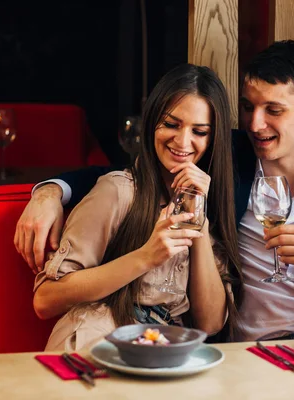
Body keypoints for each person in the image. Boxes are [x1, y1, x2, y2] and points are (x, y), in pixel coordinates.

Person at [16, 40, 294, 342]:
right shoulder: (222, 154)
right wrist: (51, 191)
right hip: (247, 353)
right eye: (248, 107)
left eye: (273, 110)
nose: (255, 124)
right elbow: (134, 172)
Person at [30, 63, 243, 351]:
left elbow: (211, 323)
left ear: (213, 138)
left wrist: (199, 220)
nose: (182, 141)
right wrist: (145, 257)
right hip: (98, 338)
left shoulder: (212, 199)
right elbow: (45, 299)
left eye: (199, 131)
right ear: (152, 120)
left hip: (164, 347)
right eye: (171, 124)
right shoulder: (117, 191)